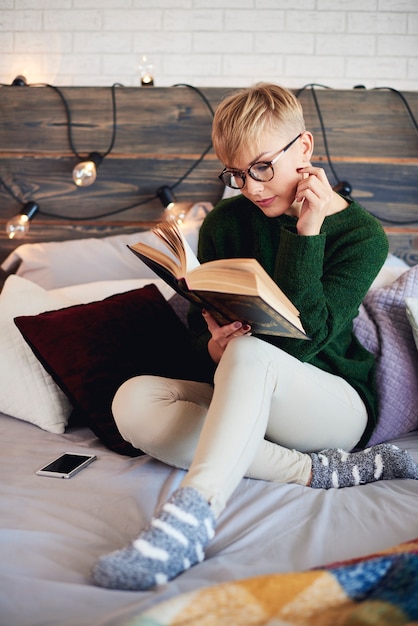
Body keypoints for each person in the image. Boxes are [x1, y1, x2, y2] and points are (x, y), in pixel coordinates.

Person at [92, 83, 418, 591]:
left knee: (252, 350)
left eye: (262, 167)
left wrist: (306, 235)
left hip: (331, 406)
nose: (251, 187)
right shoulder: (225, 222)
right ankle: (324, 473)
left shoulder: (361, 235)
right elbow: (205, 333)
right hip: (245, 392)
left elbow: (306, 341)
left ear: (304, 148)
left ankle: (190, 520)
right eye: (236, 175)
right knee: (133, 400)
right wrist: (212, 348)